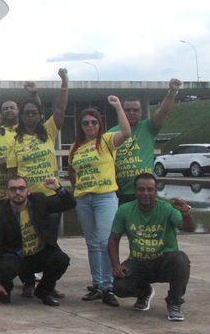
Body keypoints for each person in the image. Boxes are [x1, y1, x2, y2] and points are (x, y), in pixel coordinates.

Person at [68, 95, 131, 306]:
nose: (90, 126)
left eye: (93, 122)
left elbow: (126, 132)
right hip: (84, 199)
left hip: (105, 197)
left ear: (99, 123)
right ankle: (97, 283)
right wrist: (78, 188)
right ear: (81, 125)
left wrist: (118, 107)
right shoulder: (75, 147)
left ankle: (108, 286)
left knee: (106, 242)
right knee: (92, 244)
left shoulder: (106, 140)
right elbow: (72, 171)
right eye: (85, 123)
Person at [108, 173, 194, 321]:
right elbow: (113, 240)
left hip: (163, 262)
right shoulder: (125, 210)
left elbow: (189, 228)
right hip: (138, 262)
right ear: (135, 191)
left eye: (150, 189)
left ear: (156, 191)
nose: (145, 193)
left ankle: (174, 303)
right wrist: (116, 265)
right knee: (119, 286)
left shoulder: (167, 208)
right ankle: (144, 292)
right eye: (141, 189)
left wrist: (186, 213)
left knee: (180, 260)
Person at [0, 175, 76, 306]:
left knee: (61, 259)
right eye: (13, 189)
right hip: (16, 257)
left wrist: (58, 188)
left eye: (21, 188)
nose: (17, 192)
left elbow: (70, 204)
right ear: (7, 193)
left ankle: (44, 292)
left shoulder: (39, 201)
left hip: (38, 254)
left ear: (28, 191)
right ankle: (6, 290)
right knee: (5, 268)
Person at [109, 79, 182, 204]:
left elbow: (163, 111)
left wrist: (172, 93)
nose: (132, 113)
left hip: (147, 192)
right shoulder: (111, 133)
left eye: (136, 110)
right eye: (128, 110)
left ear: (141, 112)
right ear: (122, 111)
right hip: (121, 192)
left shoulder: (148, 127)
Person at [6, 69, 69, 196]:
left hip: (52, 193)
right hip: (28, 197)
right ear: (21, 116)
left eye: (34, 113)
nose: (30, 115)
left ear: (40, 116)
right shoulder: (14, 140)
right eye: (26, 113)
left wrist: (64, 82)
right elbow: (12, 173)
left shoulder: (48, 131)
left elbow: (60, 109)